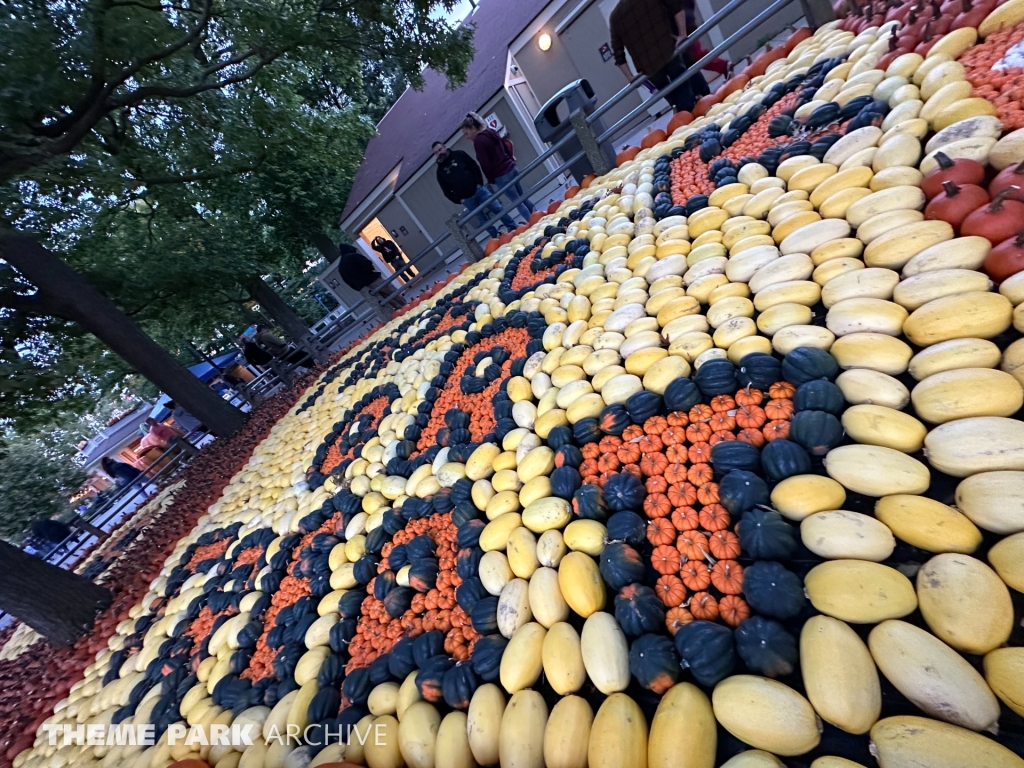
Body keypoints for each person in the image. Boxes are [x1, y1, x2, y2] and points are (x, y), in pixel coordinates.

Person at [609, 0, 712, 114]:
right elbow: (677, 7)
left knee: (670, 94)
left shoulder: (615, 17)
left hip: (649, 67)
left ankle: (683, 114)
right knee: (683, 84)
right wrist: (682, 34)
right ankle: (698, 108)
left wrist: (630, 77)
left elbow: (618, 52)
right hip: (668, 50)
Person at [460, 113, 535, 222]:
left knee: (517, 202)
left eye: (466, 133)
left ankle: (533, 222)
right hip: (511, 167)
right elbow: (505, 146)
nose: (466, 137)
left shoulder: (478, 142)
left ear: (473, 129)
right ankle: (538, 216)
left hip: (501, 174)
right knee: (522, 196)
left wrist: (491, 179)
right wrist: (511, 160)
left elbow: (484, 163)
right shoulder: (491, 132)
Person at [432, 142, 516, 239]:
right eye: (436, 152)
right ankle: (496, 237)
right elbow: (446, 192)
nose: (439, 153)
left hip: (479, 190)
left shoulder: (460, 155)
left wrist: (479, 183)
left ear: (445, 147)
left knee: (497, 208)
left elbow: (474, 167)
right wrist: (459, 200)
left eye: (440, 149)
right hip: (467, 199)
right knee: (483, 220)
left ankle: (512, 227)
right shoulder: (440, 172)